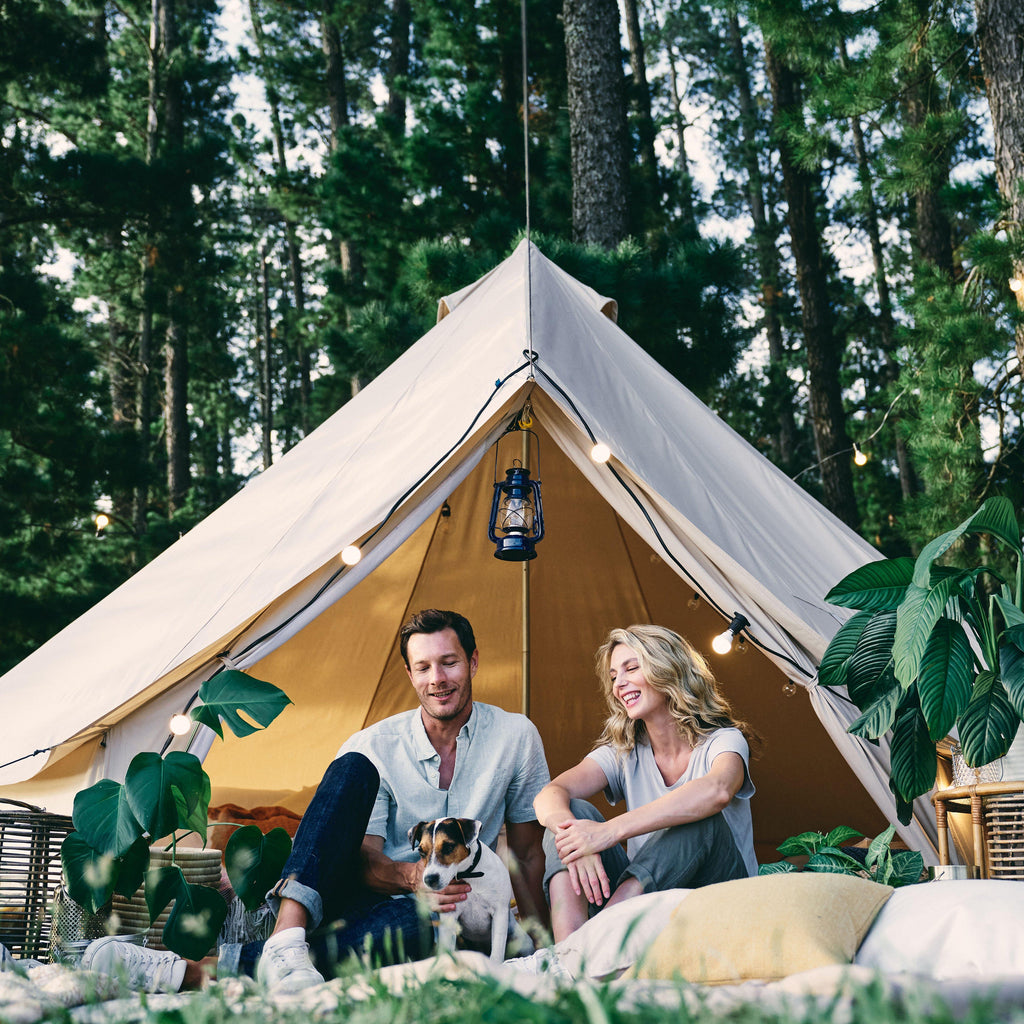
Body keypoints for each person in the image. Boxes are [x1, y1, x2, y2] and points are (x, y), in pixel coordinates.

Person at [83, 609, 551, 993]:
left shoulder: (515, 737)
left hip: (433, 918)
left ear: (473, 661)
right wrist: (412, 876)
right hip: (352, 893)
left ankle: (192, 971)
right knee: (352, 765)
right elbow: (367, 859)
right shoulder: (377, 743)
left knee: (419, 924)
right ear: (409, 674)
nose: (438, 679)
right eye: (424, 667)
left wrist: (541, 944)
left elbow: (529, 854)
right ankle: (286, 938)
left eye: (449, 662)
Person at [533, 624, 759, 942]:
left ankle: (593, 943)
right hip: (646, 902)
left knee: (700, 819)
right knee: (570, 813)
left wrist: (607, 833)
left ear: (668, 669)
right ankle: (568, 953)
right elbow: (550, 794)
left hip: (718, 898)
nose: (618, 685)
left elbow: (717, 791)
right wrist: (576, 840)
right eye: (613, 677)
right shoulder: (625, 750)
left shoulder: (723, 742)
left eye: (631, 668)